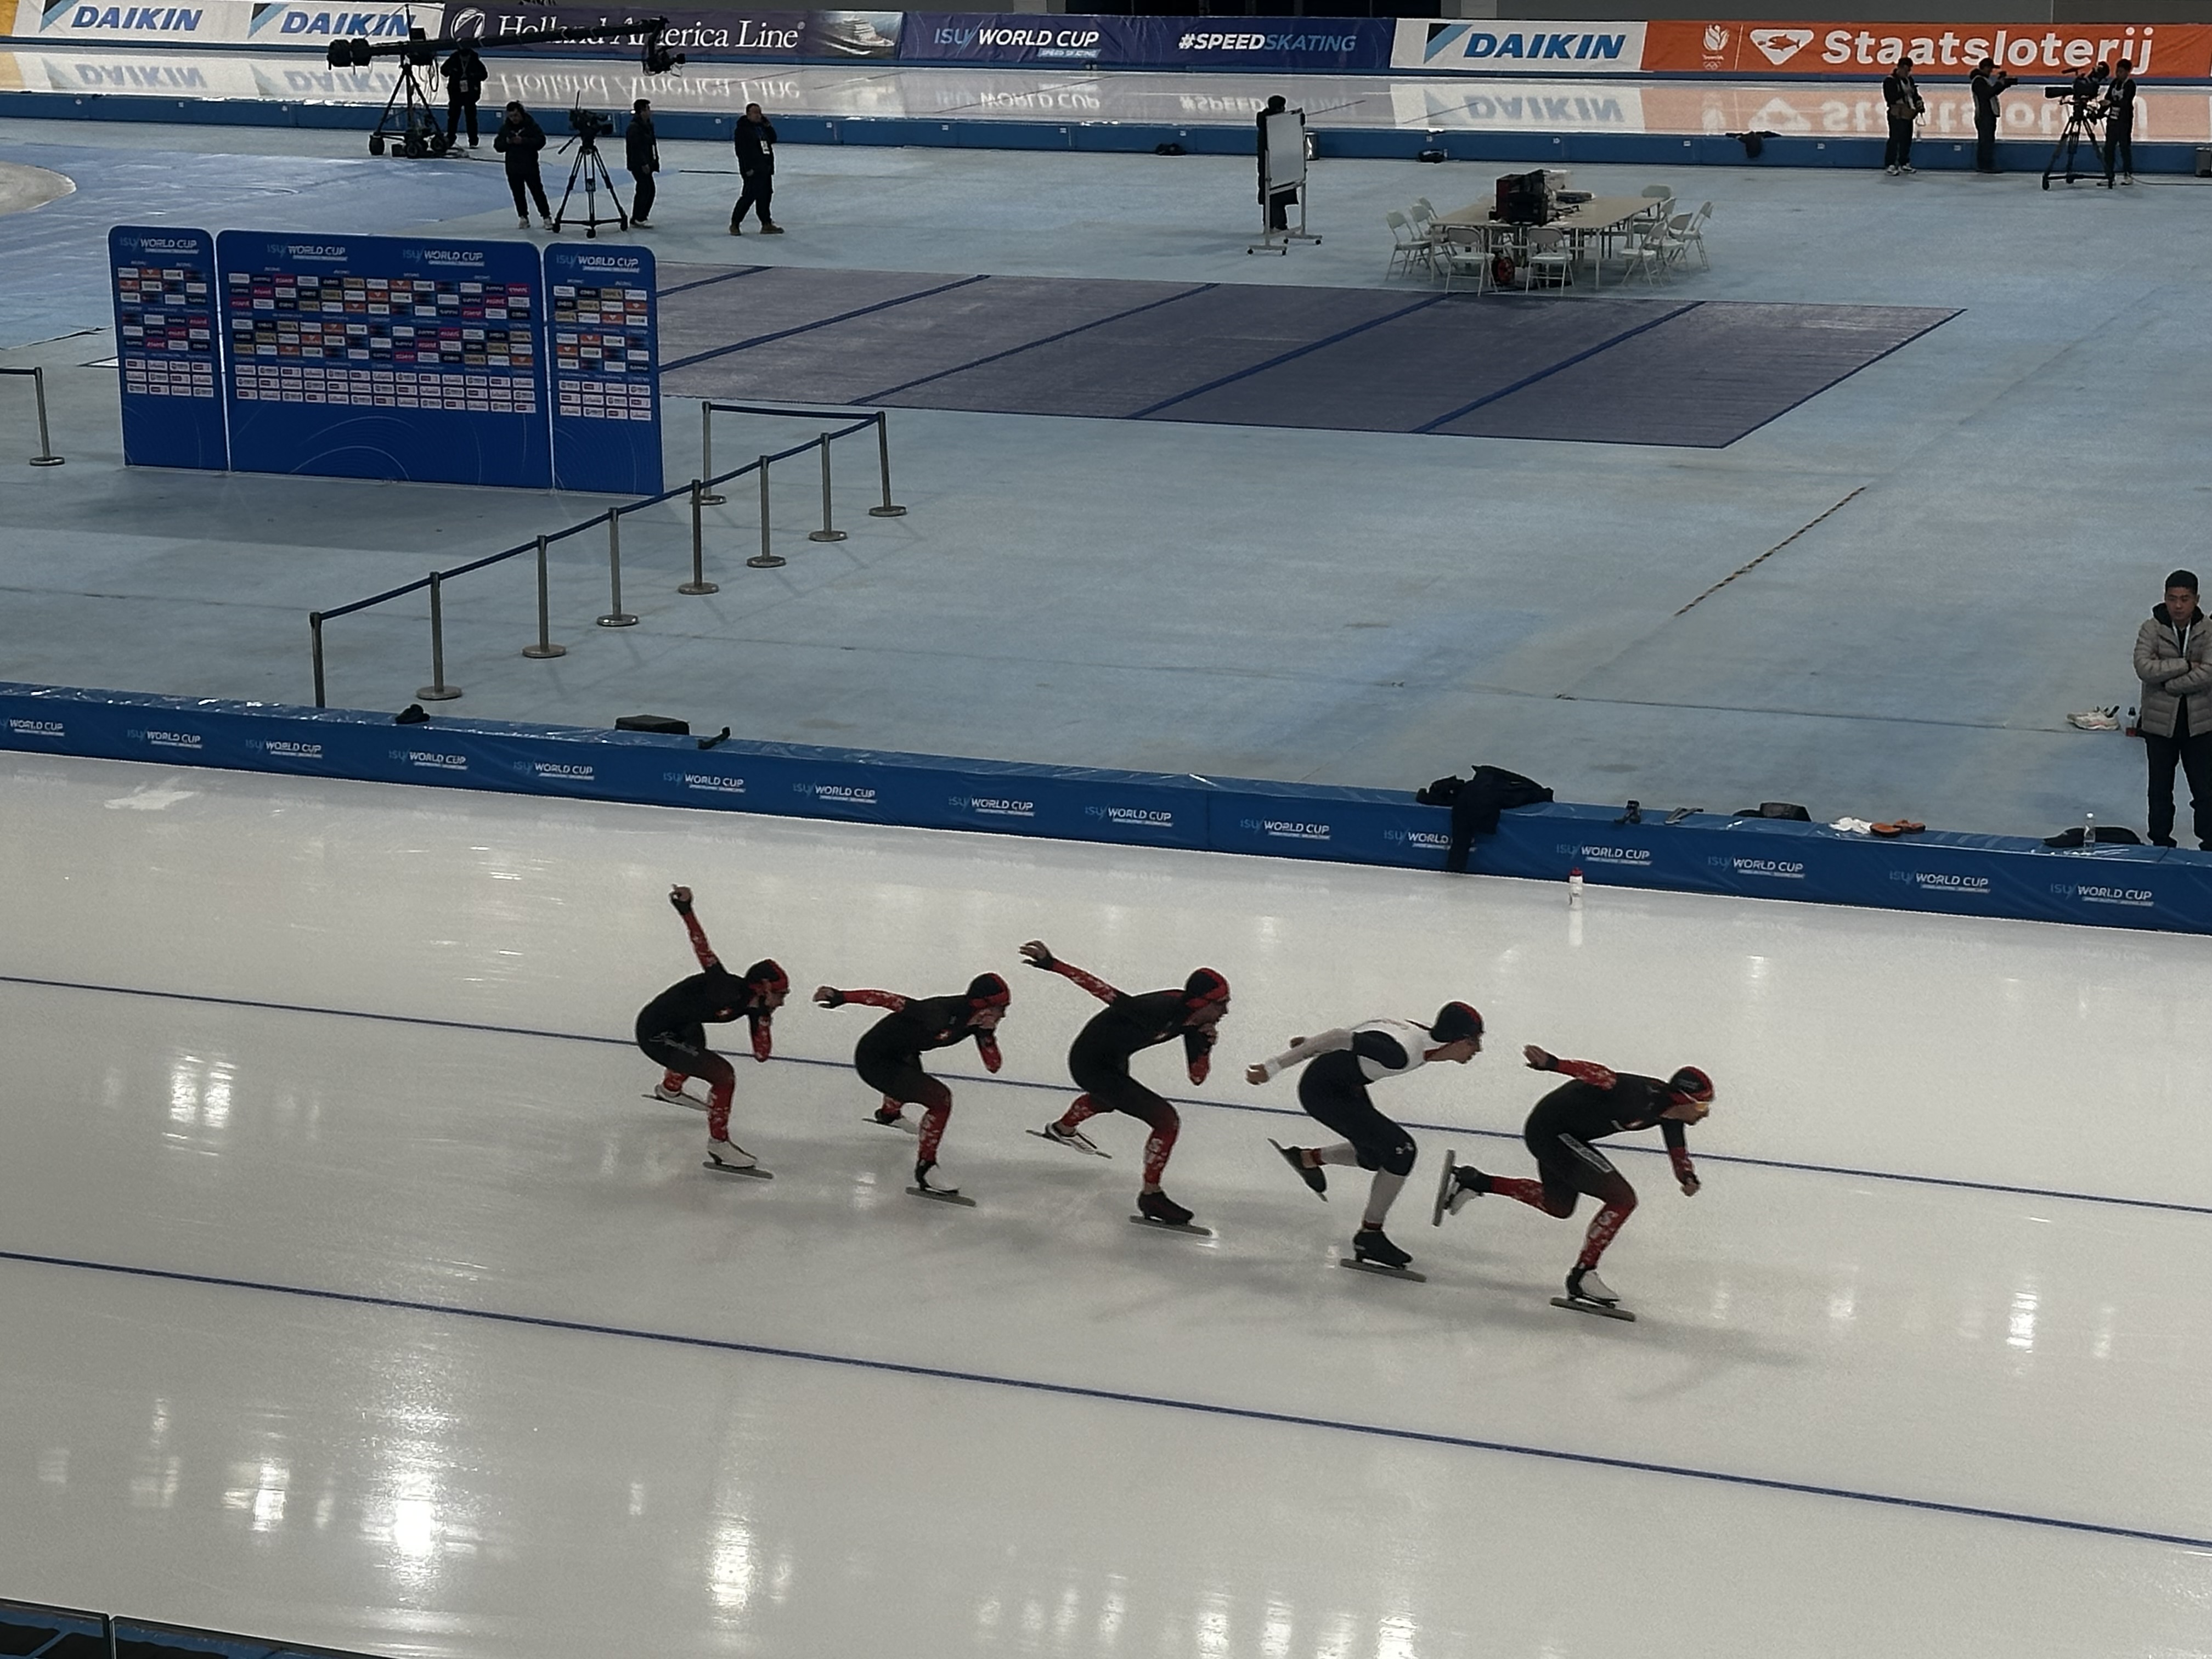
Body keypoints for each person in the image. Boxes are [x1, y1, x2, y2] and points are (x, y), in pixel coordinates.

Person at [1433, 1044, 1712, 1312]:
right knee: (1623, 1199)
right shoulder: (1641, 1095)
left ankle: (1474, 1181)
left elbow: (1677, 1148)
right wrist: (1553, 1064)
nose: (1705, 1114)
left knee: (1558, 1206)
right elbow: (1600, 1075)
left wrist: (1686, 1176)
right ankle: (1583, 1275)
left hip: (1563, 1133)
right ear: (1682, 1099)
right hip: (1551, 1131)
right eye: (1701, 1107)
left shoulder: (1670, 1114)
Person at [1246, 1001, 1485, 1272]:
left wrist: (1312, 1043)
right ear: (1457, 1040)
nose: (1478, 1050)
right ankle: (1370, 1236)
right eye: (1474, 1041)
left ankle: (1306, 1159)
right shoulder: (1403, 1052)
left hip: (1345, 1086)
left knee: (1374, 1157)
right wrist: (1273, 1066)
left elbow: (1367, 1030)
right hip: (1323, 1093)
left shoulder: (1416, 1033)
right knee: (1401, 1150)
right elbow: (1340, 1036)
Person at [1019, 938, 1227, 1228]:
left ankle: (1062, 1129)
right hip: (1088, 1061)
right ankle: (1151, 1195)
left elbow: (1197, 1077)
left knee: (1106, 1100)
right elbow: (1103, 990)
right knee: (1166, 1121)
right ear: (1200, 1003)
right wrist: (1053, 964)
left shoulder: (1196, 1025)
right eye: (1221, 1004)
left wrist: (1205, 1047)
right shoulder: (1159, 1008)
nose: (1225, 1012)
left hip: (1114, 1059)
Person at [814, 973, 1011, 1199]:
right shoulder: (939, 1012)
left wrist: (987, 1034)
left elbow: (994, 1065)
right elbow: (889, 1000)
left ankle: (889, 1114)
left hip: (903, 1054)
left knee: (912, 1078)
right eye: (1001, 1008)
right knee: (941, 1099)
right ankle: (926, 1168)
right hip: (874, 1059)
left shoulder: (978, 1024)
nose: (1004, 1015)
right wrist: (841, 996)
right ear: (983, 1006)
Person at [635, 885, 789, 1172]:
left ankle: (670, 1089)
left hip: (683, 1027)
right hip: (655, 1032)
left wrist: (764, 1017)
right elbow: (703, 948)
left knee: (697, 1050)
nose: (783, 1002)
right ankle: (719, 1144)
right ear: (764, 987)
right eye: (780, 994)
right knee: (723, 1075)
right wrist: (686, 909)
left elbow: (762, 1054)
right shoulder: (726, 987)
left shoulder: (755, 1008)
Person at [2133, 569, 2212, 849]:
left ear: (2196, 600)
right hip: (2159, 728)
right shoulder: (2151, 629)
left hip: (2200, 726)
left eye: (2185, 599)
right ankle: (2161, 842)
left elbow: (2209, 672)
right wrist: (2186, 665)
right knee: (2159, 790)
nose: (2178, 606)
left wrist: (2170, 684)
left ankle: (2210, 845)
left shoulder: (2209, 630)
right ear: (2165, 598)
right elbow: (2144, 668)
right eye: (2172, 599)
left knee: (2206, 791)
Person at [493, 101, 552, 230]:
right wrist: (507, 142)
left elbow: (541, 141)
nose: (514, 119)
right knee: (518, 193)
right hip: (513, 166)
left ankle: (546, 216)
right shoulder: (506, 128)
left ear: (521, 114)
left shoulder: (531, 126)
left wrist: (523, 141)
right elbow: (498, 146)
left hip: (530, 165)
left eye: (516, 115)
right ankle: (523, 217)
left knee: (537, 192)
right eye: (511, 116)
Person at [730, 102, 783, 235]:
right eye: (755, 113)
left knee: (766, 196)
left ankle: (766, 223)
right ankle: (735, 224)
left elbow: (773, 139)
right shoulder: (742, 130)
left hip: (765, 168)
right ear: (748, 114)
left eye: (760, 113)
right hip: (752, 170)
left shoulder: (761, 128)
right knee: (749, 197)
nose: (758, 115)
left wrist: (768, 126)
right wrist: (747, 169)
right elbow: (741, 152)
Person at [1968, 57, 2017, 174]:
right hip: (1984, 115)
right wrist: (2000, 84)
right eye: (1990, 69)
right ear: (1985, 68)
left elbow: (1993, 92)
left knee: (1987, 141)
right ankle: (1986, 166)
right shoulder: (1979, 81)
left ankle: (1984, 165)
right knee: (1986, 142)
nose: (1991, 72)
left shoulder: (1984, 80)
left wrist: (2003, 85)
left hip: (1988, 114)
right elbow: (1988, 94)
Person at [1256, 93, 1297, 232]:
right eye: (1283, 107)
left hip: (1269, 163)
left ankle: (1271, 224)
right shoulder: (1273, 124)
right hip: (1274, 163)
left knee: (1272, 194)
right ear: (1278, 109)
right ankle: (1277, 224)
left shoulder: (1267, 121)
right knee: (1276, 194)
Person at [1881, 55, 1925, 176]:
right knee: (1895, 139)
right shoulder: (1889, 81)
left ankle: (1904, 162)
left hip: (1909, 113)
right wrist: (1904, 92)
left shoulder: (1910, 80)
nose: (1908, 73)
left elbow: (1915, 94)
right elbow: (1890, 98)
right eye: (1906, 70)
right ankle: (1890, 164)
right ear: (1899, 68)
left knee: (1907, 139)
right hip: (1896, 114)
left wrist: (1919, 102)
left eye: (1909, 70)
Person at [440, 43, 487, 149]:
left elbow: (484, 75)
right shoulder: (453, 59)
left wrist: (473, 76)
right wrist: (452, 71)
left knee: (471, 118)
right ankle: (450, 138)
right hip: (455, 93)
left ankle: (473, 140)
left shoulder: (475, 61)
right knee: (453, 117)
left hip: (470, 94)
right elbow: (444, 71)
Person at [625, 99, 659, 227]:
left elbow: (652, 145)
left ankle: (641, 216)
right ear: (642, 111)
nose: (650, 112)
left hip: (648, 161)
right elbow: (636, 148)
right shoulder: (634, 128)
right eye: (648, 109)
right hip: (638, 164)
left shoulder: (648, 125)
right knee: (644, 189)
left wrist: (654, 161)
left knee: (649, 189)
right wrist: (643, 164)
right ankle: (638, 217)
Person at [2103, 58, 2137, 185]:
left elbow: (2126, 102)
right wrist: (2099, 112)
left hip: (2124, 121)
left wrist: (2111, 102)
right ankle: (2109, 176)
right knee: (2109, 148)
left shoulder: (2131, 85)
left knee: (2124, 148)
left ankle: (2128, 174)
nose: (2118, 74)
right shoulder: (2114, 83)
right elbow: (2108, 97)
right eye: (2117, 71)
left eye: (2121, 72)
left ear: (2128, 72)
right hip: (2112, 120)